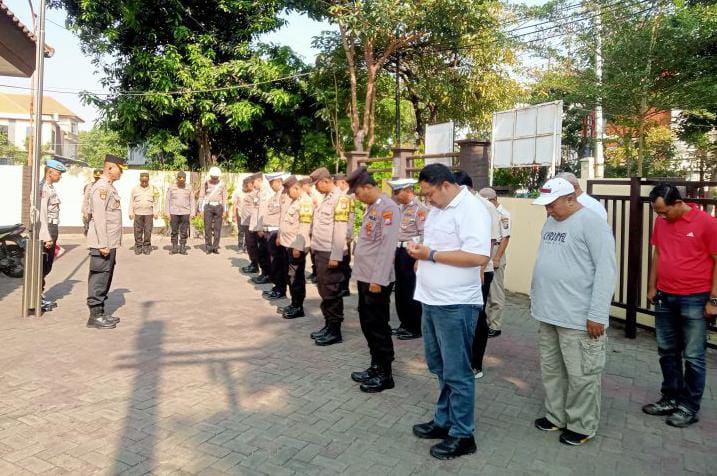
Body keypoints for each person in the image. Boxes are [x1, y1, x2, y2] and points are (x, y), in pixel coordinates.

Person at [407, 163, 491, 460]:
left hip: (455, 303)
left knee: (457, 372)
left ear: (445, 185)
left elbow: (479, 255)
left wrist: (431, 254)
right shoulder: (440, 209)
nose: (427, 199)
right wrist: (422, 253)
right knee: (439, 366)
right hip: (431, 299)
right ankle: (444, 421)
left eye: (430, 194)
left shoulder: (471, 209)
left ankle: (463, 434)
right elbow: (436, 245)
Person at [530, 177, 616, 446]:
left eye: (552, 204)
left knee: (581, 375)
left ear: (570, 198)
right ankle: (556, 416)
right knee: (552, 370)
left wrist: (598, 313)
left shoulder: (592, 223)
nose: (548, 210)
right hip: (548, 312)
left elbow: (606, 270)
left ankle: (581, 425)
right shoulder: (552, 221)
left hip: (578, 317)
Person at [643, 184, 717, 427]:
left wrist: (713, 300)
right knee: (667, 351)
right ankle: (671, 398)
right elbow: (658, 254)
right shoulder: (661, 223)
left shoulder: (706, 223)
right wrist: (652, 286)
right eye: (656, 212)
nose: (661, 216)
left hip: (695, 298)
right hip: (665, 295)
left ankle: (689, 406)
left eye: (664, 211)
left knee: (694, 356)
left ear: (678, 202)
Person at [347, 167, 401, 393]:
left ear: (368, 187)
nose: (357, 198)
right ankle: (375, 365)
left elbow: (387, 248)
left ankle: (385, 374)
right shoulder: (372, 208)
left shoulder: (388, 209)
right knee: (367, 323)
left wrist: (377, 279)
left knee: (378, 326)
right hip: (366, 276)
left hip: (376, 280)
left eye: (358, 193)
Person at [453, 170, 500, 380]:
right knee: (462, 315)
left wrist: (479, 270)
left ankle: (476, 363)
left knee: (477, 317)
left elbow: (490, 242)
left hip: (480, 271)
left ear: (465, 188)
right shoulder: (461, 205)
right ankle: (462, 358)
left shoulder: (484, 206)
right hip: (463, 269)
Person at [308, 167, 351, 346]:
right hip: (320, 251)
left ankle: (335, 331)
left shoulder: (341, 199)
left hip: (330, 253)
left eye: (317, 184)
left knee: (332, 291)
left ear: (326, 181)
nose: (316, 188)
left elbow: (341, 229)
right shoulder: (327, 199)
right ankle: (328, 325)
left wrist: (336, 255)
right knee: (324, 291)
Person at [86, 154, 127, 329]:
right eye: (120, 169)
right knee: (99, 276)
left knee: (106, 275)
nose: (121, 173)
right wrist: (103, 243)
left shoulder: (109, 188)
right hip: (103, 243)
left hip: (109, 242)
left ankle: (101, 312)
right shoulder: (101, 188)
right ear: (110, 168)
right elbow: (99, 217)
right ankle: (94, 316)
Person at [389, 177, 427, 341]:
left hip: (411, 253)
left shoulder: (420, 209)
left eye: (398, 192)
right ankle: (404, 323)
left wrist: (420, 258)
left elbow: (424, 234)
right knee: (400, 289)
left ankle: (414, 326)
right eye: (394, 192)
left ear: (408, 190)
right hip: (398, 251)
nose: (395, 195)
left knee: (411, 289)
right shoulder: (399, 208)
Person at [276, 176, 311, 319]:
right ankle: (293, 303)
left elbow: (304, 226)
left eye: (288, 190)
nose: (287, 193)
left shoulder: (305, 202)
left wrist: (298, 247)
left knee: (295, 276)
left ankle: (298, 307)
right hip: (288, 245)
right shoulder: (295, 201)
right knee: (290, 275)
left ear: (296, 188)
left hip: (296, 247)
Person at [480, 187, 511, 338]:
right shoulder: (485, 211)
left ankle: (495, 325)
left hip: (496, 251)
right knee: (486, 289)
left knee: (496, 291)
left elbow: (505, 237)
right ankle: (486, 323)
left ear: (494, 199)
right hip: (486, 249)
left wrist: (497, 258)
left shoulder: (503, 214)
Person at [39, 159, 67, 312]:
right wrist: (46, 236)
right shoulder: (43, 189)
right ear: (50, 172)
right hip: (47, 228)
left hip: (52, 227)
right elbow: (41, 214)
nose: (60, 176)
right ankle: (37, 297)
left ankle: (39, 294)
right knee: (42, 266)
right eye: (59, 173)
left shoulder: (51, 188)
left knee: (47, 265)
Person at [260, 172, 288, 300]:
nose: (271, 186)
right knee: (275, 263)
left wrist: (280, 234)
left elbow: (283, 217)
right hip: (270, 232)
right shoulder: (276, 195)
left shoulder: (283, 196)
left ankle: (280, 289)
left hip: (277, 232)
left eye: (272, 183)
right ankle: (277, 287)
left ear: (278, 181)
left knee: (278, 263)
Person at [248, 173, 272, 282]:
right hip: (258, 227)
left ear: (259, 180)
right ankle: (264, 273)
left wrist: (261, 227)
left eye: (254, 182)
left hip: (262, 228)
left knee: (264, 253)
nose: (253, 185)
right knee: (261, 252)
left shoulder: (265, 193)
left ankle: (267, 275)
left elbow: (263, 211)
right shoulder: (259, 192)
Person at [198, 166, 228, 254]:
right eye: (213, 177)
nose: (214, 179)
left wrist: (225, 210)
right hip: (208, 206)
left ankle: (215, 247)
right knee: (207, 228)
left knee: (217, 228)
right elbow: (201, 196)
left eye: (216, 178)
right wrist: (200, 209)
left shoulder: (222, 184)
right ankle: (208, 247)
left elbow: (224, 198)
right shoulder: (205, 183)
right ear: (210, 176)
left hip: (219, 206)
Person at [166, 171, 196, 255]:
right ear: (177, 178)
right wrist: (167, 213)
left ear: (185, 179)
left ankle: (183, 247)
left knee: (184, 231)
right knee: (174, 231)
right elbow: (167, 200)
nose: (181, 180)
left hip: (185, 212)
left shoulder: (189, 188)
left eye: (183, 179)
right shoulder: (172, 187)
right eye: (179, 178)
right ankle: (174, 247)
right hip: (174, 212)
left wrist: (192, 213)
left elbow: (192, 201)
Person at [129, 172, 159, 255]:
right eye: (143, 181)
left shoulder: (153, 188)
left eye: (146, 181)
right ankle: (138, 246)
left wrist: (156, 211)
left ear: (148, 180)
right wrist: (130, 212)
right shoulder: (135, 189)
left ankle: (146, 246)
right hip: (138, 213)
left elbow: (156, 201)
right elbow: (131, 201)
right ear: (140, 180)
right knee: (137, 230)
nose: (144, 183)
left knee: (148, 230)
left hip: (149, 213)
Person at [334, 173, 354, 297]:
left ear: (342, 182)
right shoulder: (342, 195)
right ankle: (341, 285)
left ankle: (345, 287)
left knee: (344, 263)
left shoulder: (348, 195)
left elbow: (350, 217)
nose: (336, 186)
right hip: (341, 233)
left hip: (345, 233)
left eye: (336, 183)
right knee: (341, 262)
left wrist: (348, 234)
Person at [239, 176, 258, 271]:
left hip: (252, 223)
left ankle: (255, 265)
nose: (244, 187)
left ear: (251, 184)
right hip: (246, 223)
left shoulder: (256, 194)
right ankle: (253, 263)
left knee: (252, 245)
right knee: (249, 244)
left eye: (246, 185)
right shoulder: (250, 194)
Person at [82, 169, 102, 236]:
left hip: (100, 210)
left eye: (99, 177)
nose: (97, 179)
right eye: (96, 177)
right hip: (90, 210)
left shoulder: (104, 186)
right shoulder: (89, 186)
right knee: (89, 228)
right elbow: (86, 199)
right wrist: (85, 211)